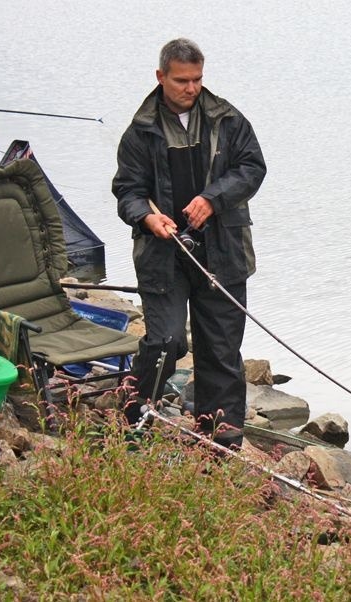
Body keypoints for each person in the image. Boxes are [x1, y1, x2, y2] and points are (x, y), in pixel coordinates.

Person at [112, 38, 267, 448]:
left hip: (224, 251)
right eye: (182, 80)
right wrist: (147, 218)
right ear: (161, 77)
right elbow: (126, 191)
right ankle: (132, 416)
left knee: (220, 348)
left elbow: (253, 168)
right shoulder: (139, 131)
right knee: (166, 341)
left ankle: (221, 440)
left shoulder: (228, 119)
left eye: (198, 79)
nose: (191, 88)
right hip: (163, 254)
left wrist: (213, 200)